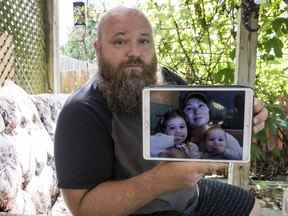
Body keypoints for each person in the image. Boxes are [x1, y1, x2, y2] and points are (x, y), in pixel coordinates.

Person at [54, 6, 268, 216]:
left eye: (144, 41)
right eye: (119, 41)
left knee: (252, 208)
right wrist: (162, 180)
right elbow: (82, 208)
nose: (134, 52)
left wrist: (248, 117)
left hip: (191, 196)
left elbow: (198, 127)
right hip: (140, 211)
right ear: (98, 49)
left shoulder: (168, 81)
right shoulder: (81, 113)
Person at [180, 92, 243, 160]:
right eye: (189, 108)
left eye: (201, 106)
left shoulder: (223, 136)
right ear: (183, 115)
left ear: (208, 110)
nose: (197, 111)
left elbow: (240, 157)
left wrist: (224, 152)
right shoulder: (182, 141)